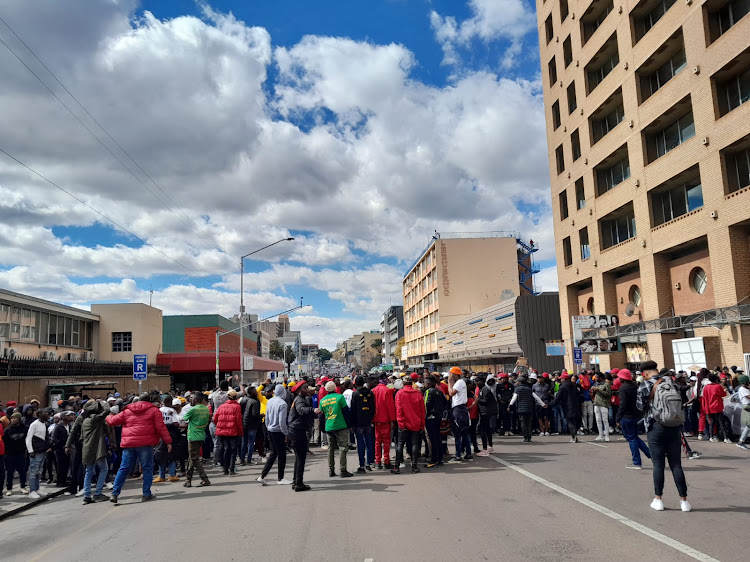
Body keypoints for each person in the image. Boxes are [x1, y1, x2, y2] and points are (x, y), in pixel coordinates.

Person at [107, 393, 172, 504]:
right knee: (147, 468)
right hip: (146, 444)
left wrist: (108, 416)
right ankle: (146, 493)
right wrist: (168, 442)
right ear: (149, 401)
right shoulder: (154, 410)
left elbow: (112, 421)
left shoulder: (127, 410)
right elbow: (161, 428)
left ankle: (115, 493)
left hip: (129, 444)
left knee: (124, 468)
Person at [644, 362, 691, 512]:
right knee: (676, 465)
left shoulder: (645, 385)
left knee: (658, 465)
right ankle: (684, 502)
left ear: (645, 373)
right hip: (674, 426)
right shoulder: (672, 383)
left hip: (655, 427)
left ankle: (658, 499)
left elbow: (639, 405)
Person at [615, 369, 651, 469]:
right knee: (634, 437)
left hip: (627, 416)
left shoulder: (623, 388)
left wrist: (618, 417)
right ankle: (650, 454)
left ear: (622, 378)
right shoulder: (635, 386)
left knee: (631, 439)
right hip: (637, 415)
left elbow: (623, 404)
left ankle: (637, 462)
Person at [258, 385, 292, 485]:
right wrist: (286, 433)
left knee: (273, 454)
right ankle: (280, 478)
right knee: (282, 455)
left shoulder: (270, 401)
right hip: (278, 431)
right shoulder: (283, 404)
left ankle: (262, 476)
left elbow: (267, 417)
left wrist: (268, 427)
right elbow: (282, 421)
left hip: (270, 430)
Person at [392, 373, 426, 474]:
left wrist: (401, 423)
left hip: (404, 423)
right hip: (415, 423)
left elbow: (399, 410)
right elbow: (422, 411)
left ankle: (396, 467)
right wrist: (422, 424)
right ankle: (414, 467)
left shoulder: (400, 394)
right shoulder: (418, 394)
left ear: (403, 383)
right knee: (414, 444)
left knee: (400, 444)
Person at [318, 381, 353, 478]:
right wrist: (349, 425)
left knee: (331, 449)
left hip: (329, 427)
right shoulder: (340, 397)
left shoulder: (323, 401)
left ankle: (331, 470)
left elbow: (322, 415)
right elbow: (346, 412)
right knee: (342, 448)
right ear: (335, 388)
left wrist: (323, 428)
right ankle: (343, 470)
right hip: (340, 426)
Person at [80, 399, 112, 504]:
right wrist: (102, 402)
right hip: (97, 449)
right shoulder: (95, 419)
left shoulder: (84, 420)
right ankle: (98, 493)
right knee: (104, 469)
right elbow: (107, 411)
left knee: (89, 472)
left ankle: (87, 495)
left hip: (87, 449)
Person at [288, 381, 314, 491]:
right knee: (301, 458)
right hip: (297, 431)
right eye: (305, 388)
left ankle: (296, 481)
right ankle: (299, 483)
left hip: (296, 430)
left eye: (307, 387)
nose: (307, 389)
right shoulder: (300, 400)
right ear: (299, 390)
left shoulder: (300, 399)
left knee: (299, 458)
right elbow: (302, 410)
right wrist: (312, 409)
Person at [182, 393, 211, 487]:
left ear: (194, 400)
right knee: (192, 458)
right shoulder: (206, 409)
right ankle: (188, 479)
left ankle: (204, 478)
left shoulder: (193, 410)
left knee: (194, 459)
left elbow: (184, 419)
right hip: (201, 435)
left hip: (192, 436)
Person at [213, 389, 243, 476]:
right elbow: (238, 421)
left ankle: (225, 469)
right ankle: (231, 469)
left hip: (221, 432)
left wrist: (221, 425)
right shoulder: (237, 407)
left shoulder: (221, 406)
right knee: (233, 451)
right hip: (233, 432)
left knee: (225, 449)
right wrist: (241, 432)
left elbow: (215, 419)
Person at [350, 376, 376, 474]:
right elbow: (373, 408)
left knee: (360, 443)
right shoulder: (370, 393)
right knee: (369, 442)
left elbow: (353, 409)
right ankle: (369, 463)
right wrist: (370, 418)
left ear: (355, 383)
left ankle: (362, 465)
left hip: (358, 422)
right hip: (367, 421)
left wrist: (352, 423)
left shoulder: (355, 394)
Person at [509, 376, 547, 443]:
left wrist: (510, 405)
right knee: (529, 423)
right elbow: (536, 397)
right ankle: (529, 437)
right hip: (529, 408)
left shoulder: (517, 389)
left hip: (521, 409)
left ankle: (525, 437)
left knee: (523, 423)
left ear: (520, 382)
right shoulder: (529, 389)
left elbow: (514, 398)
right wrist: (543, 404)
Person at [25, 408, 52, 499]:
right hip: (35, 451)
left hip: (42, 451)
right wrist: (30, 451)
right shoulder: (34, 424)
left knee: (38, 471)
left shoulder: (44, 424)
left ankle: (37, 488)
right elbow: (28, 438)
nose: (46, 413)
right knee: (33, 471)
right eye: (44, 412)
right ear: (39, 414)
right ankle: (32, 490)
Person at [371, 376, 396, 470]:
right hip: (386, 420)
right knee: (386, 442)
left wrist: (372, 420)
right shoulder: (388, 391)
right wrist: (393, 420)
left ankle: (378, 462)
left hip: (377, 420)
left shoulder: (374, 390)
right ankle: (386, 461)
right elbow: (390, 406)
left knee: (377, 442)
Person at [155, 396, 181, 483]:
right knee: (172, 455)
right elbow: (176, 423)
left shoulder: (159, 410)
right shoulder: (172, 411)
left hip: (160, 434)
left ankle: (161, 475)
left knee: (161, 454)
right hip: (171, 434)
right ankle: (172, 475)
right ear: (171, 403)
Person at [551, 372, 582, 443]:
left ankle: (573, 437)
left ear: (564, 379)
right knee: (574, 422)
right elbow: (578, 396)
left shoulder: (563, 387)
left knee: (570, 422)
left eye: (561, 378)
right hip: (576, 406)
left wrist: (549, 404)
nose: (560, 380)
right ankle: (575, 436)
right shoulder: (574, 386)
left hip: (567, 407)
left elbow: (557, 398)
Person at [448, 366, 470, 463]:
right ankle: (468, 454)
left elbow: (451, 393)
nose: (450, 375)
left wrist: (449, 382)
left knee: (458, 434)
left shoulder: (459, 382)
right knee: (464, 433)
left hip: (459, 410)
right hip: (462, 409)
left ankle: (458, 455)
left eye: (451, 374)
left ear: (455, 374)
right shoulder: (460, 382)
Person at [424, 375, 448, 467]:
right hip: (438, 417)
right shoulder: (439, 391)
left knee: (433, 439)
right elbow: (445, 403)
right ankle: (440, 459)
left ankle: (433, 460)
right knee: (438, 438)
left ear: (430, 383)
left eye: (426, 383)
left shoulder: (428, 391)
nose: (425, 384)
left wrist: (427, 415)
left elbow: (426, 404)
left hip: (431, 418)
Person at [4, 412, 28, 496]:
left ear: (19, 419)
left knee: (22, 471)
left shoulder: (24, 428)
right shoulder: (8, 430)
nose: (13, 420)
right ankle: (9, 489)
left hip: (21, 453)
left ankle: (23, 487)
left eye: (15, 418)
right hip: (10, 454)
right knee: (10, 472)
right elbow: (4, 442)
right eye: (12, 418)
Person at [701, 373, 729, 443]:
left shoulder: (706, 387)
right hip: (717, 406)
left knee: (712, 422)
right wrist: (724, 391)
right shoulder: (718, 386)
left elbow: (704, 397)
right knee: (721, 422)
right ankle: (725, 438)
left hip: (709, 407)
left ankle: (711, 437)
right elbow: (723, 394)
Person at [477, 374, 498, 455]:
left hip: (486, 412)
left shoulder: (485, 390)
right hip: (485, 411)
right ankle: (490, 447)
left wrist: (477, 399)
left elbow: (485, 401)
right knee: (487, 430)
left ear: (482, 382)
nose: (476, 383)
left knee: (483, 431)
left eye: (477, 381)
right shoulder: (483, 389)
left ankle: (485, 449)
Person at [241, 387, 262, 465]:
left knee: (244, 442)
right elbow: (255, 414)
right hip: (252, 425)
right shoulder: (255, 402)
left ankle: (242, 459)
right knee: (250, 443)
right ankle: (249, 460)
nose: (257, 392)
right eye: (255, 390)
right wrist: (261, 415)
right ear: (252, 392)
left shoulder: (246, 400)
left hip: (245, 423)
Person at [591, 373, 612, 442]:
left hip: (603, 404)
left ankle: (607, 435)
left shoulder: (606, 384)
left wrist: (598, 390)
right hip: (596, 403)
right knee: (598, 420)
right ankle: (600, 435)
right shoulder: (596, 384)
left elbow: (608, 394)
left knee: (605, 420)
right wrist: (592, 391)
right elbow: (592, 394)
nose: (595, 378)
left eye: (597, 377)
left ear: (601, 377)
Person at [736, 375, 750, 449]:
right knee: (748, 425)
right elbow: (749, 397)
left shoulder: (745, 388)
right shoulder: (742, 389)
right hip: (747, 407)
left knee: (748, 426)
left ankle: (741, 441)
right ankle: (741, 442)